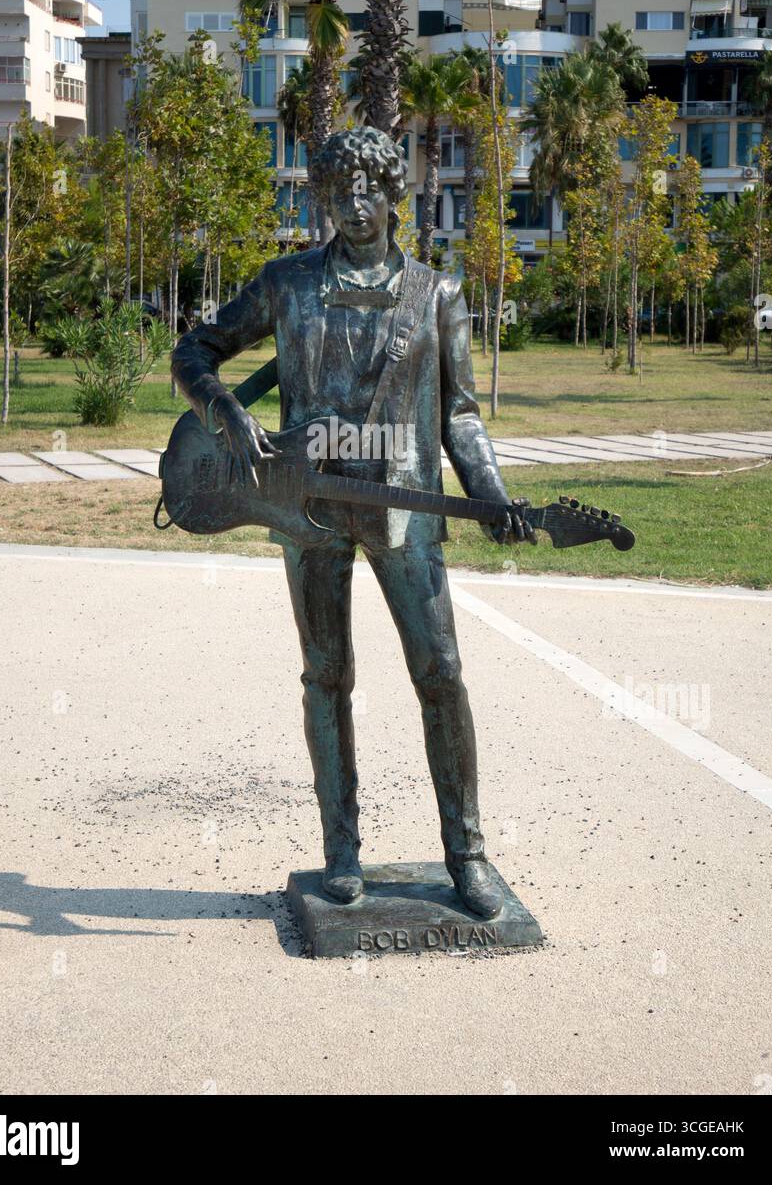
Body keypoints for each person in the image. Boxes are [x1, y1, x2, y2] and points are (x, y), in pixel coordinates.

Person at [172, 126, 536, 919]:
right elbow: (194, 350)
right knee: (326, 677)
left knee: (440, 676)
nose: (357, 205)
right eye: (341, 193)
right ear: (325, 200)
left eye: (371, 188)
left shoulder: (435, 296)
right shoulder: (287, 283)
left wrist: (492, 489)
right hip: (307, 511)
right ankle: (342, 853)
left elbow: (463, 419)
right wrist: (224, 408)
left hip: (405, 512)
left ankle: (467, 855)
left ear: (393, 193)